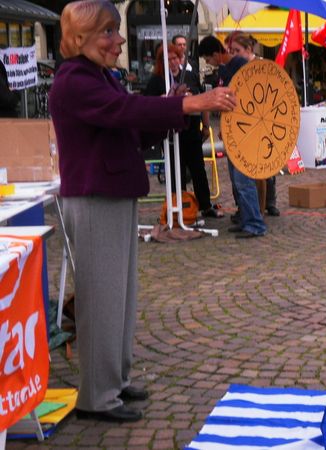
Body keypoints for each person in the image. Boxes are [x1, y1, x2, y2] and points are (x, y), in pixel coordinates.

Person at [48, 0, 235, 422]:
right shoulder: (75, 80)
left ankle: (114, 380)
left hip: (111, 193)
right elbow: (125, 111)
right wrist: (186, 105)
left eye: (117, 31)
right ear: (80, 38)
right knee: (101, 299)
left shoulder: (97, 76)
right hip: (95, 197)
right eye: (108, 33)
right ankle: (97, 397)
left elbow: (131, 126)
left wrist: (173, 106)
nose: (117, 42)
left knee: (120, 297)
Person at [197, 35, 267, 238]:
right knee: (237, 181)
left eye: (209, 59)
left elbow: (247, 94)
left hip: (244, 132)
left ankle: (255, 224)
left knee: (244, 181)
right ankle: (246, 219)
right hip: (232, 132)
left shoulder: (238, 64)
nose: (209, 64)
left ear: (216, 54)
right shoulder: (225, 68)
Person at [143, 44, 222, 218]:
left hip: (191, 129)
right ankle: (178, 205)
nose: (172, 62)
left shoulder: (190, 76)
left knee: (197, 169)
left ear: (180, 59)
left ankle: (205, 205)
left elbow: (203, 101)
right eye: (168, 59)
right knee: (174, 171)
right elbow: (148, 104)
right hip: (170, 133)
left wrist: (206, 125)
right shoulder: (157, 79)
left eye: (175, 58)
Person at [225, 31, 280, 217]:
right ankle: (246, 208)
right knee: (243, 173)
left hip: (262, 124)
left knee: (263, 171)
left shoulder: (262, 65)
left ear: (248, 49)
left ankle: (265, 206)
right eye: (231, 50)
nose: (233, 54)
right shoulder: (235, 68)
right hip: (242, 126)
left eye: (237, 50)